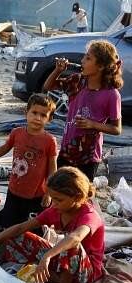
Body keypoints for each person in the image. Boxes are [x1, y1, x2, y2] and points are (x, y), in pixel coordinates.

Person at [0, 167, 105, 283]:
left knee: (71, 244)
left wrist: (47, 256)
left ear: (77, 197)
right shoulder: (56, 211)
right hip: (62, 262)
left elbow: (76, 237)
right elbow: (21, 227)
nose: (54, 204)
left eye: (59, 200)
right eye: (53, 199)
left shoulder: (89, 215)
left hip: (85, 273)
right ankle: (51, 276)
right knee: (18, 236)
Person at [0, 94, 57, 230]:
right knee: (8, 225)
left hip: (36, 195)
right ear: (26, 112)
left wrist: (49, 192)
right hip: (14, 190)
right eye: (34, 113)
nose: (37, 118)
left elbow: (53, 168)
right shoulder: (17, 133)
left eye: (43, 115)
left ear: (49, 119)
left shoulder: (49, 141)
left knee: (31, 229)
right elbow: (3, 149)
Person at [43, 40, 123, 181]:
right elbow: (48, 86)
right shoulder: (77, 81)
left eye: (88, 58)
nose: (82, 61)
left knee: (80, 195)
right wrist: (58, 70)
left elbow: (117, 129)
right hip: (67, 150)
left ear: (101, 66)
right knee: (60, 189)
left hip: (89, 157)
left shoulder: (111, 94)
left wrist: (93, 125)